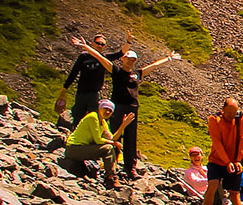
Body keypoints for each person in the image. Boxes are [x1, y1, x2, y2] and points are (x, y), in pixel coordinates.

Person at [71, 37, 179, 181]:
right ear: (123, 59)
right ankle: (111, 166)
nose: (130, 61)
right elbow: (100, 57)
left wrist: (169, 58)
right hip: (118, 108)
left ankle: (130, 168)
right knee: (115, 135)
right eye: (128, 59)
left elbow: (153, 66)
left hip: (133, 108)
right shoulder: (116, 71)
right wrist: (85, 47)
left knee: (130, 138)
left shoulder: (136, 74)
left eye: (133, 60)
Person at [63, 99, 134, 189]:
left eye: (110, 110)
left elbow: (112, 138)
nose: (107, 112)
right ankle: (110, 178)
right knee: (108, 148)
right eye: (105, 108)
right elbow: (98, 140)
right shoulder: (93, 117)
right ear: (100, 108)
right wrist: (115, 143)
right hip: (74, 148)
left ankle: (111, 176)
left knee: (110, 146)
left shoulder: (102, 122)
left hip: (82, 148)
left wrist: (123, 125)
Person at [204, 98, 243, 205]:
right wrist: (226, 162)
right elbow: (217, 142)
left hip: (235, 160)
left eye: (234, 113)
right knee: (212, 185)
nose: (231, 116)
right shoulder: (214, 120)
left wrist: (237, 160)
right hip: (216, 160)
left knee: (234, 192)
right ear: (223, 110)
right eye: (229, 113)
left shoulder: (241, 119)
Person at [59, 33, 123, 126]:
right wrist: (65, 88)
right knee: (78, 116)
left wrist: (129, 41)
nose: (100, 46)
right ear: (92, 43)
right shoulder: (84, 56)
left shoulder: (104, 58)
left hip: (95, 93)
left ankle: (92, 138)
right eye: (98, 43)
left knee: (94, 117)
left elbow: (120, 54)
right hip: (81, 92)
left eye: (102, 44)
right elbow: (74, 72)